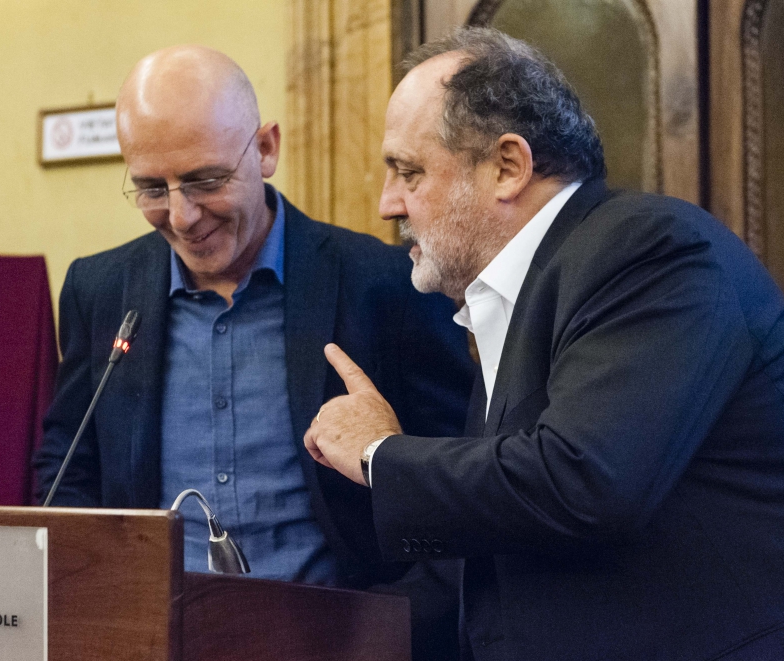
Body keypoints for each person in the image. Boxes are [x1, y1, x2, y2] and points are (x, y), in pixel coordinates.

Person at [303, 28, 784, 661]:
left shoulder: (647, 249)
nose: (385, 204)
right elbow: (502, 549)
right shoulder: (514, 294)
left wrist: (379, 453)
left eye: (409, 171)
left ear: (508, 166)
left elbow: (582, 484)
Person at [34, 45, 474, 660]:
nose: (183, 216)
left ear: (266, 149)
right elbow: (66, 477)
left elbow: (458, 484)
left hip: (339, 641)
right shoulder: (98, 290)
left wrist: (396, 635)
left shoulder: (386, 285)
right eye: (151, 188)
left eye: (205, 181)